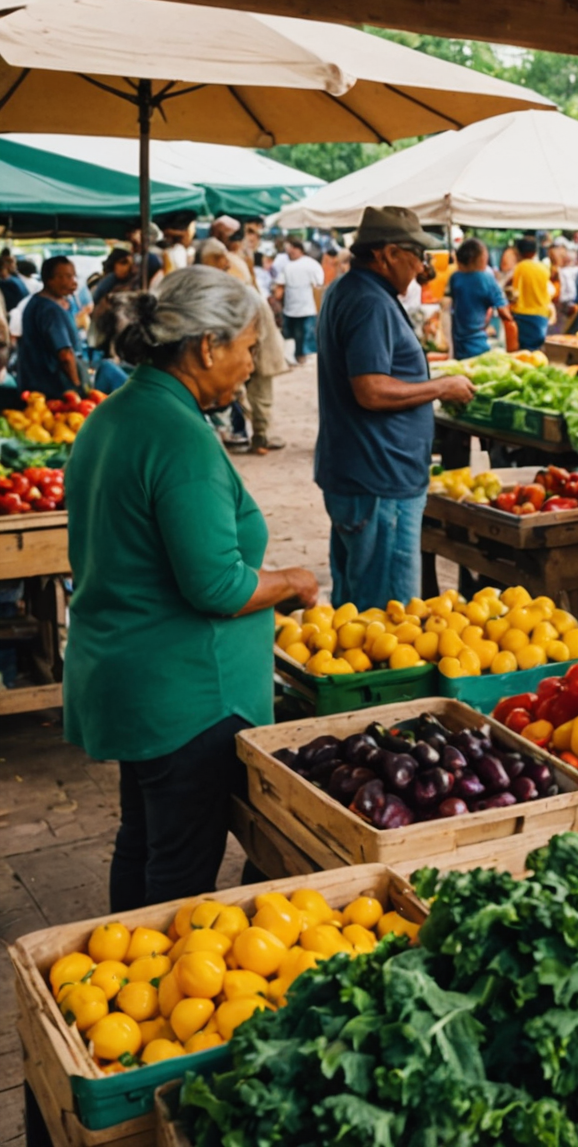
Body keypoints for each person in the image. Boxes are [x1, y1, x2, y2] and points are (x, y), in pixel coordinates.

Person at [66, 266, 320, 908]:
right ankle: (149, 995)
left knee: (144, 841)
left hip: (128, 676)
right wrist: (291, 580)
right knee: (179, 871)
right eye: (248, 347)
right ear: (207, 346)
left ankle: (121, 983)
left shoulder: (117, 413)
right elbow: (217, 586)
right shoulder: (179, 437)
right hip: (186, 698)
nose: (252, 363)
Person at [315, 207, 473, 609]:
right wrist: (440, 388)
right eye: (416, 255)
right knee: (389, 617)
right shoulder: (369, 302)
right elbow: (370, 389)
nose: (422, 266)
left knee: (355, 610)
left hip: (361, 474)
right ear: (386, 254)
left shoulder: (350, 290)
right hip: (379, 480)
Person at [201, 240, 289, 452]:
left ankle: (260, 436)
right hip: (252, 342)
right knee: (246, 393)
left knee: (258, 394)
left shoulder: (231, 278)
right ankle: (257, 435)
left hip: (258, 342)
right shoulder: (228, 274)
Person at [15, 256, 83, 395]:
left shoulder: (36, 302)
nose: (73, 281)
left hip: (32, 385)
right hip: (51, 389)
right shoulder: (50, 311)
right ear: (51, 279)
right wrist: (77, 387)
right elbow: (65, 355)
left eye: (73, 276)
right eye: (68, 276)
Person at [446, 238, 514, 358]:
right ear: (478, 258)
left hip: (458, 346)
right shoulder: (486, 279)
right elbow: (504, 312)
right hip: (478, 346)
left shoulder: (454, 278)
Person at [272, 236, 324, 363]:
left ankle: (305, 358)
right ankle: (298, 358)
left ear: (299, 249)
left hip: (307, 306)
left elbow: (319, 285)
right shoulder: (287, 266)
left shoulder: (311, 264)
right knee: (295, 335)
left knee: (305, 335)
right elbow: (280, 286)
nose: (290, 252)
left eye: (292, 249)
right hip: (291, 307)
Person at [509, 236, 555, 350]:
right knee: (537, 350)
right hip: (541, 316)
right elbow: (551, 291)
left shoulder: (519, 267)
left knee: (525, 351)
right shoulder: (543, 268)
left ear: (518, 252)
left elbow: (514, 292)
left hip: (522, 315)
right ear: (535, 251)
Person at [0, 251, 28, 315]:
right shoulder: (16, 280)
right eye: (13, 263)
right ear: (6, 265)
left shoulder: (8, 282)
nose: (15, 266)